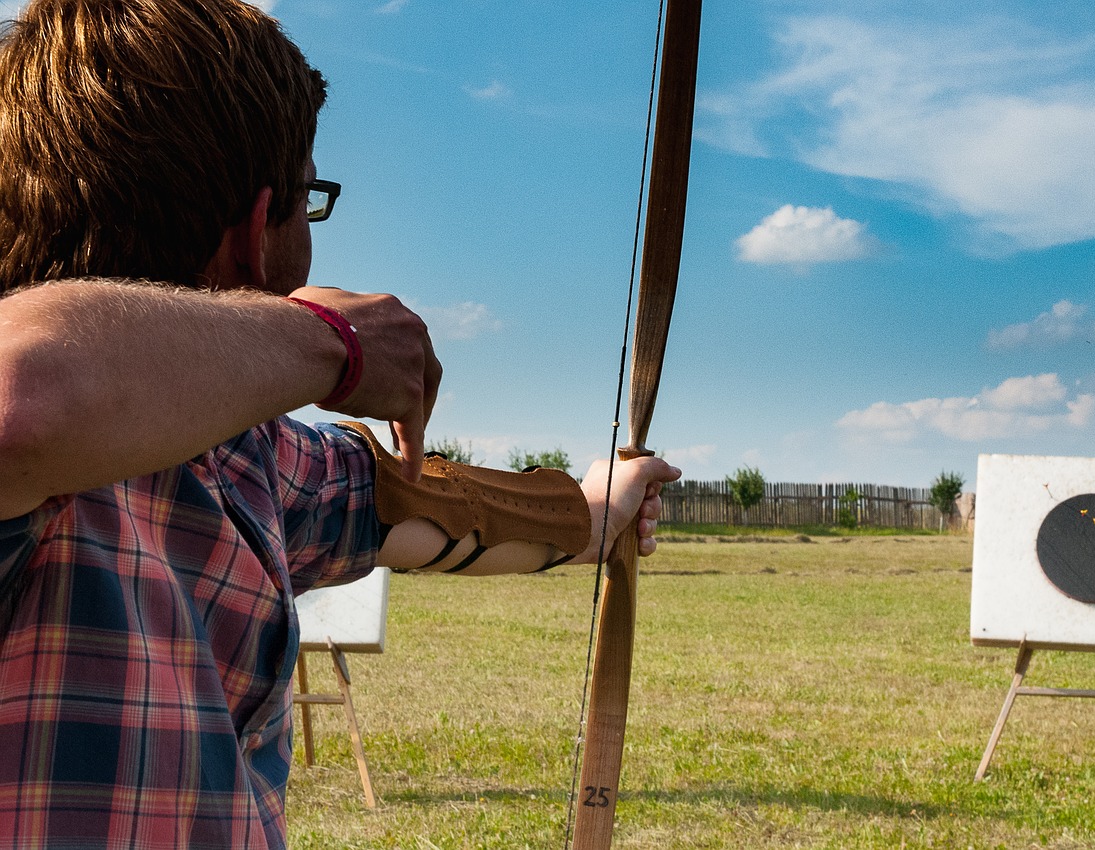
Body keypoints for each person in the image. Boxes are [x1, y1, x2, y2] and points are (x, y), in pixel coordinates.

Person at [0, 1, 680, 848]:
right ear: (258, 230)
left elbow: (441, 513)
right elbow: (24, 396)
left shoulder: (252, 459)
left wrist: (599, 509)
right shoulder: (41, 458)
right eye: (307, 202)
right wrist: (330, 341)